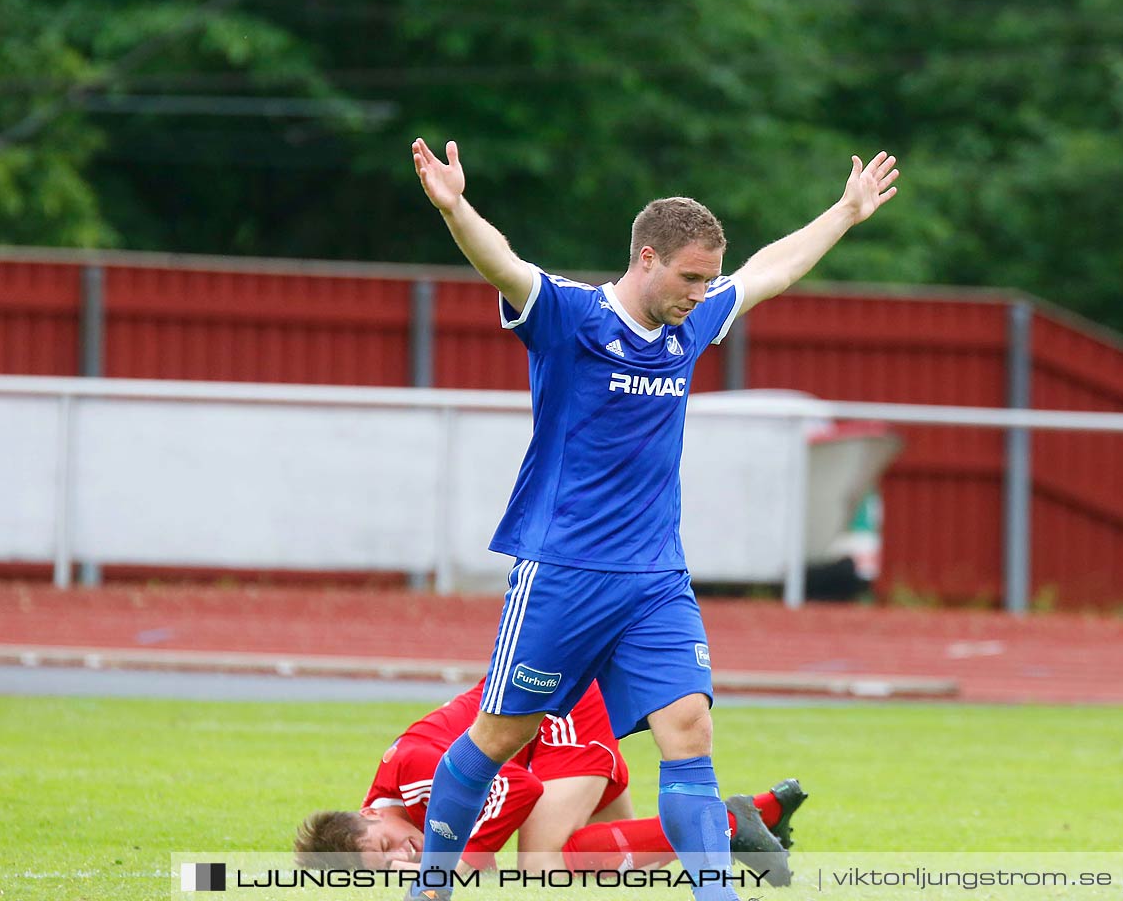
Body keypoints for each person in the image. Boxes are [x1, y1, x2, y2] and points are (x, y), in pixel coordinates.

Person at [407, 136, 897, 901]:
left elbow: (770, 270)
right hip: (563, 571)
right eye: (690, 278)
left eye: (708, 280)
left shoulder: (689, 325)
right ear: (645, 259)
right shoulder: (570, 317)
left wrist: (844, 210)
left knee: (690, 729)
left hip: (655, 579)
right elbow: (502, 264)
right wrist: (456, 207)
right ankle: (430, 886)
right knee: (501, 737)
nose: (702, 294)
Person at [292, 679, 805, 877]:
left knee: (541, 865)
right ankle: (764, 814)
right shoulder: (387, 809)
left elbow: (518, 789)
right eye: (385, 869)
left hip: (561, 718)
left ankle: (729, 823)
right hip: (545, 736)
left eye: (386, 847)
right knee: (611, 872)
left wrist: (464, 863)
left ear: (368, 815)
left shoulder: (415, 774)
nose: (402, 856)